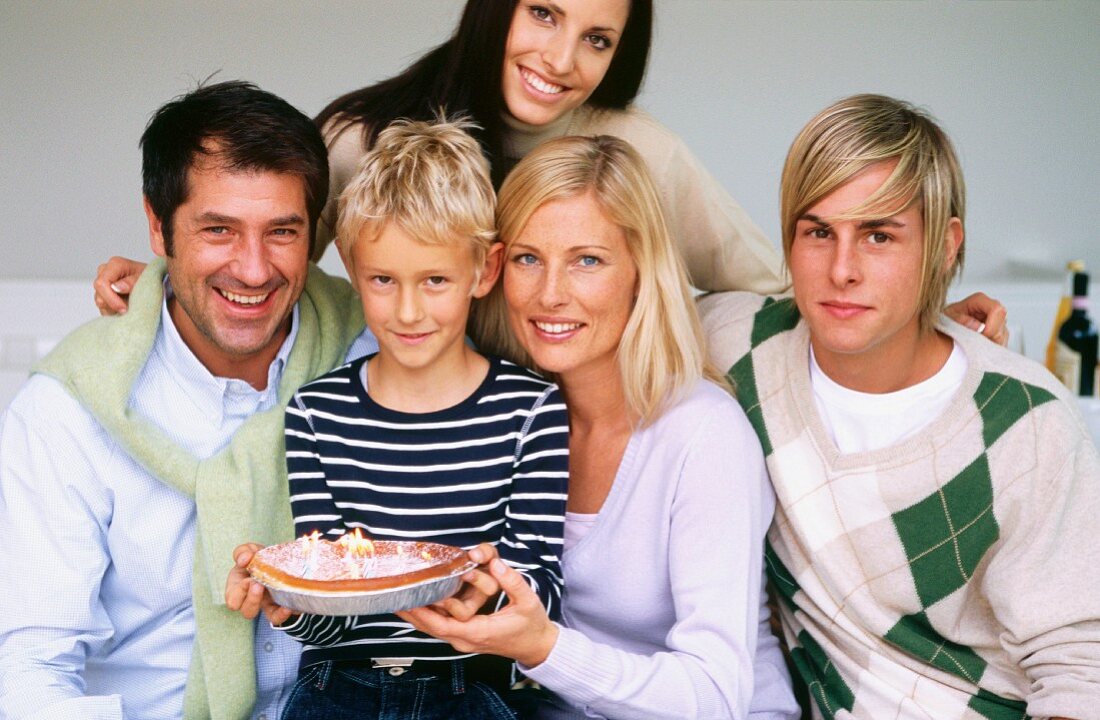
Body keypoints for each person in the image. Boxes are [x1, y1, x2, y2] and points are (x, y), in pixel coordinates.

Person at [91, 0, 1007, 341]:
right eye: (543, 13)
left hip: (580, 439)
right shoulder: (364, 135)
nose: (562, 56)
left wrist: (926, 320)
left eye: (598, 38)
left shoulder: (636, 152)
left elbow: (773, 285)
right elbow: (270, 256)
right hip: (423, 428)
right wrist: (161, 282)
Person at [698, 94, 1100, 719]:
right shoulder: (736, 346)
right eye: (818, 232)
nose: (841, 269)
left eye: (878, 235)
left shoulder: (1029, 421)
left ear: (944, 246)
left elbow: (1081, 669)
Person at [0, 81, 378, 720]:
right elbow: (29, 672)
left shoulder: (372, 358)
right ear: (156, 224)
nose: (254, 270)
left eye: (281, 231)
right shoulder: (66, 411)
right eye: (219, 230)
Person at [397, 134, 801, 719]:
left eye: (587, 260)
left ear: (642, 270)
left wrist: (543, 649)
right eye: (527, 259)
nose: (550, 294)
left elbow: (716, 697)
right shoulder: (505, 415)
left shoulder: (703, 436)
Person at [225, 117, 571, 719]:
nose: (408, 311)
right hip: (336, 690)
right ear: (351, 267)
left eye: (435, 280)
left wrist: (490, 596)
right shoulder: (315, 413)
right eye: (384, 280)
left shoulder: (531, 410)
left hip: (472, 688)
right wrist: (292, 604)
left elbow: (541, 586)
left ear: (484, 271)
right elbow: (332, 615)